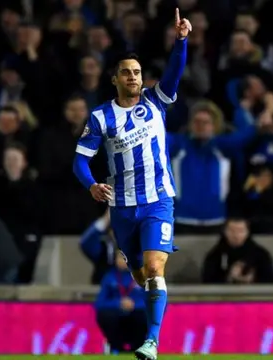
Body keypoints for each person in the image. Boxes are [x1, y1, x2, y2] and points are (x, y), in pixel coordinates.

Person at [73, 9, 192, 360]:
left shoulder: (156, 101)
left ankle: (151, 342)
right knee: (142, 276)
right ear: (115, 79)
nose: (133, 77)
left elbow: (174, 73)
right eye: (126, 72)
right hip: (123, 207)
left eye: (137, 73)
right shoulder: (100, 117)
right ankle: (151, 318)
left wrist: (181, 42)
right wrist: (92, 185)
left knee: (155, 269)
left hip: (158, 201)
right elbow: (80, 160)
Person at [95, 250, 148, 354]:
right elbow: (100, 303)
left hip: (138, 318)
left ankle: (139, 346)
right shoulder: (109, 277)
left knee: (145, 315)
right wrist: (118, 303)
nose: (125, 261)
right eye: (121, 258)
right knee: (106, 315)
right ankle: (115, 347)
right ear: (115, 260)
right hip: (117, 316)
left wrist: (134, 305)